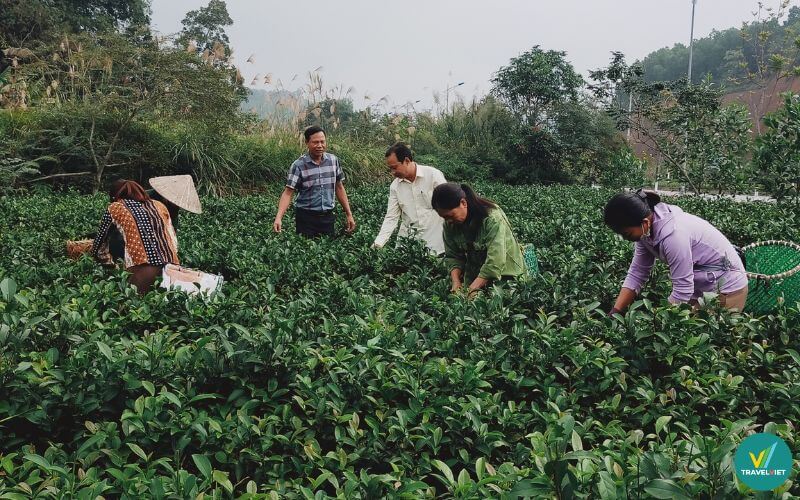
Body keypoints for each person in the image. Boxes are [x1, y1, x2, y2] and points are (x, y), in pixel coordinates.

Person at [604, 189, 748, 314]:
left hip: (727, 289)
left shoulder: (674, 235)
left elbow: (683, 289)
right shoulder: (645, 233)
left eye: (627, 234)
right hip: (701, 287)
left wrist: (659, 323)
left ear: (645, 222)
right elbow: (637, 272)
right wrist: (616, 311)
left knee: (707, 340)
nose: (625, 238)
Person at [431, 183, 525, 295]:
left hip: (507, 277)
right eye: (444, 217)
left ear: (463, 203)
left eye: (450, 215)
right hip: (476, 275)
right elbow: (453, 256)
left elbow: (496, 260)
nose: (448, 221)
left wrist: (472, 289)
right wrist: (456, 282)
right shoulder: (450, 224)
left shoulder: (492, 218)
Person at [91, 179, 179, 294]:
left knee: (133, 307)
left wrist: (111, 265)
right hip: (172, 267)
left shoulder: (116, 207)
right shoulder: (159, 205)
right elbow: (173, 241)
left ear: (115, 196)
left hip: (142, 269)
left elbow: (99, 246)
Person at [273, 126, 356, 237]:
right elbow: (288, 192)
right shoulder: (298, 165)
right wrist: (279, 217)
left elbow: (339, 187)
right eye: (315, 142)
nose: (320, 146)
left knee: (328, 249)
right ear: (307, 142)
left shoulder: (333, 161)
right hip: (306, 218)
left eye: (322, 142)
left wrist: (349, 214)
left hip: (327, 217)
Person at [372, 142, 447, 254]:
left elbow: (449, 205)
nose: (392, 172)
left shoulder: (433, 175)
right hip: (408, 242)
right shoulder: (395, 187)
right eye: (390, 169)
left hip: (436, 241)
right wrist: (378, 244)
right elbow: (391, 217)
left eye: (394, 167)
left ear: (407, 161)